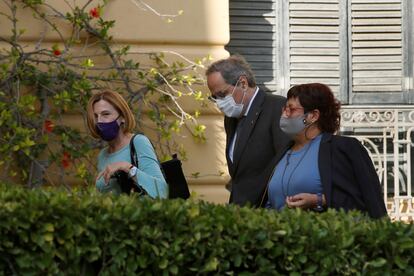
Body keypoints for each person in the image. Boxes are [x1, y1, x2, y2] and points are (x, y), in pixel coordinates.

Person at [265, 83, 387, 218]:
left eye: (291, 109)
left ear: (313, 116)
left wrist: (318, 201)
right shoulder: (283, 152)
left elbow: (367, 201)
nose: (284, 114)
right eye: (284, 109)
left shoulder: (343, 149)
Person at [206, 55, 290, 207]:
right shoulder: (231, 118)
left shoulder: (277, 107)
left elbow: (283, 164)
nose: (219, 102)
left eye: (222, 94)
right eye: (214, 97)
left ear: (243, 83)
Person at [86, 90, 168, 198]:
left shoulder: (138, 142)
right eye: (96, 116)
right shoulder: (103, 155)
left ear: (122, 117)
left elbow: (162, 191)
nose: (100, 121)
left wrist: (126, 167)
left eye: (106, 114)